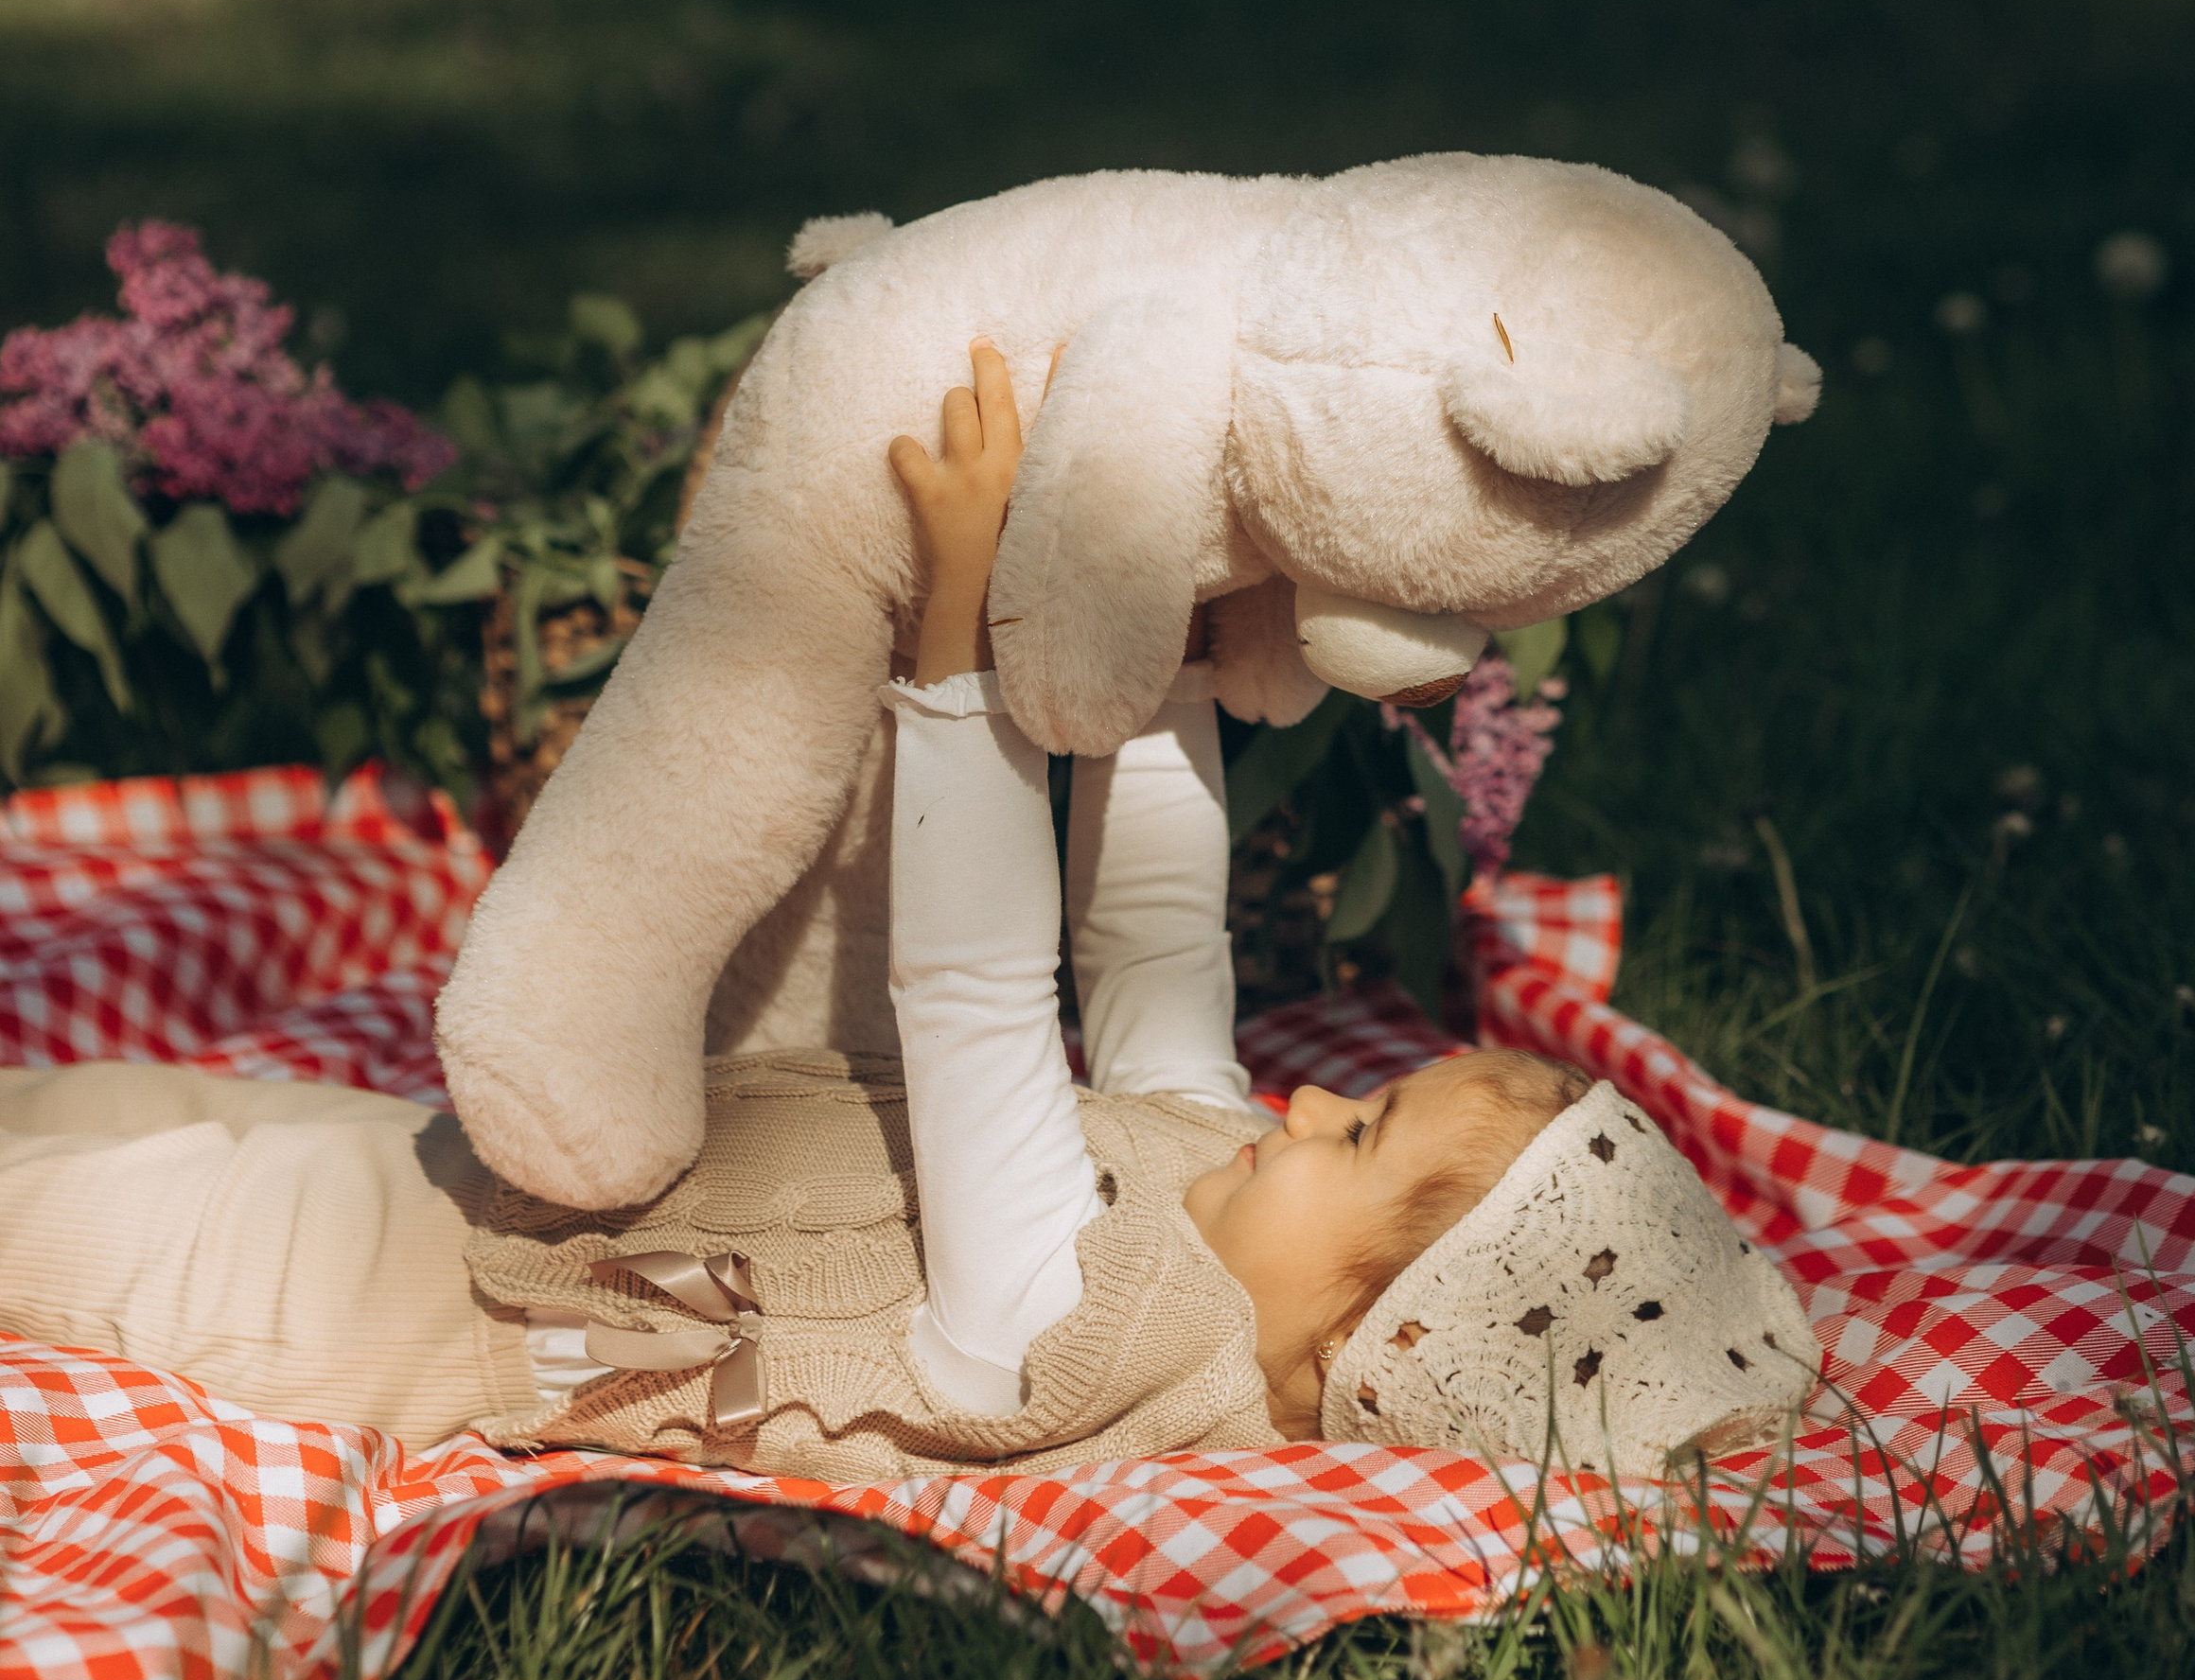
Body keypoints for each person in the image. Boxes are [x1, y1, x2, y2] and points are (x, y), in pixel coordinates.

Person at [0, 352, 1817, 1483]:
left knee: (96, 1234)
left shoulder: (1085, 1328)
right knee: (102, 1120)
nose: (1320, 1099)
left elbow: (974, 1006)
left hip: (462, 1315)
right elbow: (1154, 952)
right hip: (500, 1192)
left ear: (1355, 1341)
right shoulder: (1216, 1172)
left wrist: (956, 647)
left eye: (1368, 1134)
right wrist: (1166, 655)